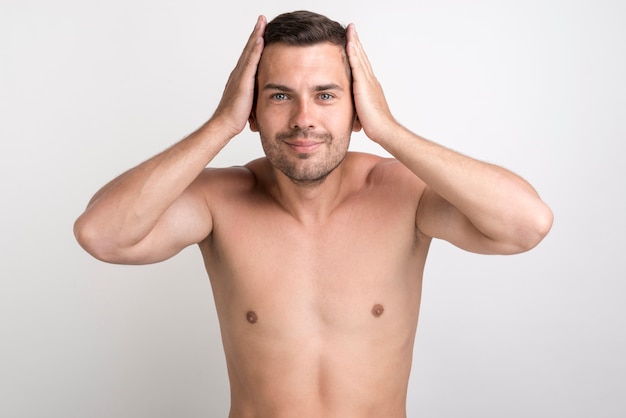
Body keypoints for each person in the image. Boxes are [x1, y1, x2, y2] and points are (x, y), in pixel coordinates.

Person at [74, 10, 553, 418]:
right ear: (253, 110)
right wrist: (222, 123)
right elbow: (102, 235)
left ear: (356, 108)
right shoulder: (219, 201)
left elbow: (526, 225)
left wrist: (388, 129)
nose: (304, 118)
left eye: (326, 95)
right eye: (280, 95)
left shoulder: (402, 195)